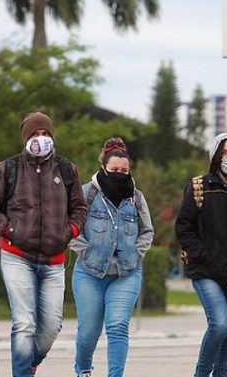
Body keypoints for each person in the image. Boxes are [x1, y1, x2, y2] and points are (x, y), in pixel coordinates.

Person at [0, 112, 87, 377]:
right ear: (25, 138)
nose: (41, 139)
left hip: (54, 260)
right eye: (35, 134)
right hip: (17, 256)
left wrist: (69, 231)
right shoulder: (8, 169)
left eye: (45, 134)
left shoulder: (67, 170)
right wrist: (10, 229)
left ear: (52, 137)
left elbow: (80, 208)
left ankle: (30, 361)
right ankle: (23, 373)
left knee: (51, 326)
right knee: (24, 323)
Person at [175, 132, 227, 377]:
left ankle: (221, 373)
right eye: (224, 152)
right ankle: (201, 373)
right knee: (220, 325)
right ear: (215, 155)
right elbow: (184, 227)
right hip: (206, 270)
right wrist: (202, 254)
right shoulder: (199, 187)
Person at [70, 137, 154, 377]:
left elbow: (147, 230)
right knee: (88, 332)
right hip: (90, 273)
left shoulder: (136, 197)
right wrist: (84, 250)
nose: (119, 173)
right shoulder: (86, 193)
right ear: (104, 167)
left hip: (126, 273)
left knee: (117, 327)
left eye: (124, 170)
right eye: (114, 169)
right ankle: (83, 368)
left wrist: (135, 254)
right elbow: (71, 226)